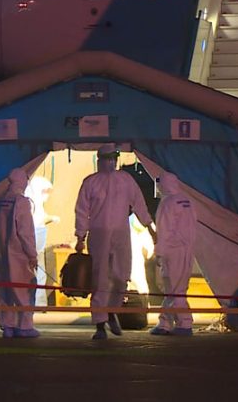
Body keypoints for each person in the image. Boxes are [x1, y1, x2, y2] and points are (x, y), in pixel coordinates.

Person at [75, 144, 156, 340]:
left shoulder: (125, 180)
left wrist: (150, 227)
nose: (111, 162)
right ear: (100, 160)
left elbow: (138, 203)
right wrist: (80, 236)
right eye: (108, 158)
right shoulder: (90, 182)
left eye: (114, 158)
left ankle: (112, 311)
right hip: (99, 235)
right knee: (100, 278)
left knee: (122, 276)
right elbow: (81, 211)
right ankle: (100, 324)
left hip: (121, 234)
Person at [0, 168, 40, 338]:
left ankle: (8, 326)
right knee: (24, 291)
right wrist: (32, 254)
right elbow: (25, 232)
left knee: (6, 292)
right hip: (19, 256)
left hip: (0, 256)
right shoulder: (21, 202)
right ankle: (24, 326)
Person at [149, 172, 198, 336]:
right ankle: (165, 323)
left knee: (173, 288)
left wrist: (159, 253)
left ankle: (184, 323)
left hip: (172, 251)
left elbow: (164, 231)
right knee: (177, 287)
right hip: (187, 250)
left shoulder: (167, 203)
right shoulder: (186, 201)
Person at [24, 176, 60, 306]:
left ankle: (39, 302)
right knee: (35, 272)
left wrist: (50, 218)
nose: (47, 196)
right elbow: (36, 222)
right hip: (32, 245)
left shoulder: (37, 204)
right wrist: (51, 218)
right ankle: (35, 302)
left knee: (39, 273)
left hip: (38, 245)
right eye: (45, 192)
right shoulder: (29, 203)